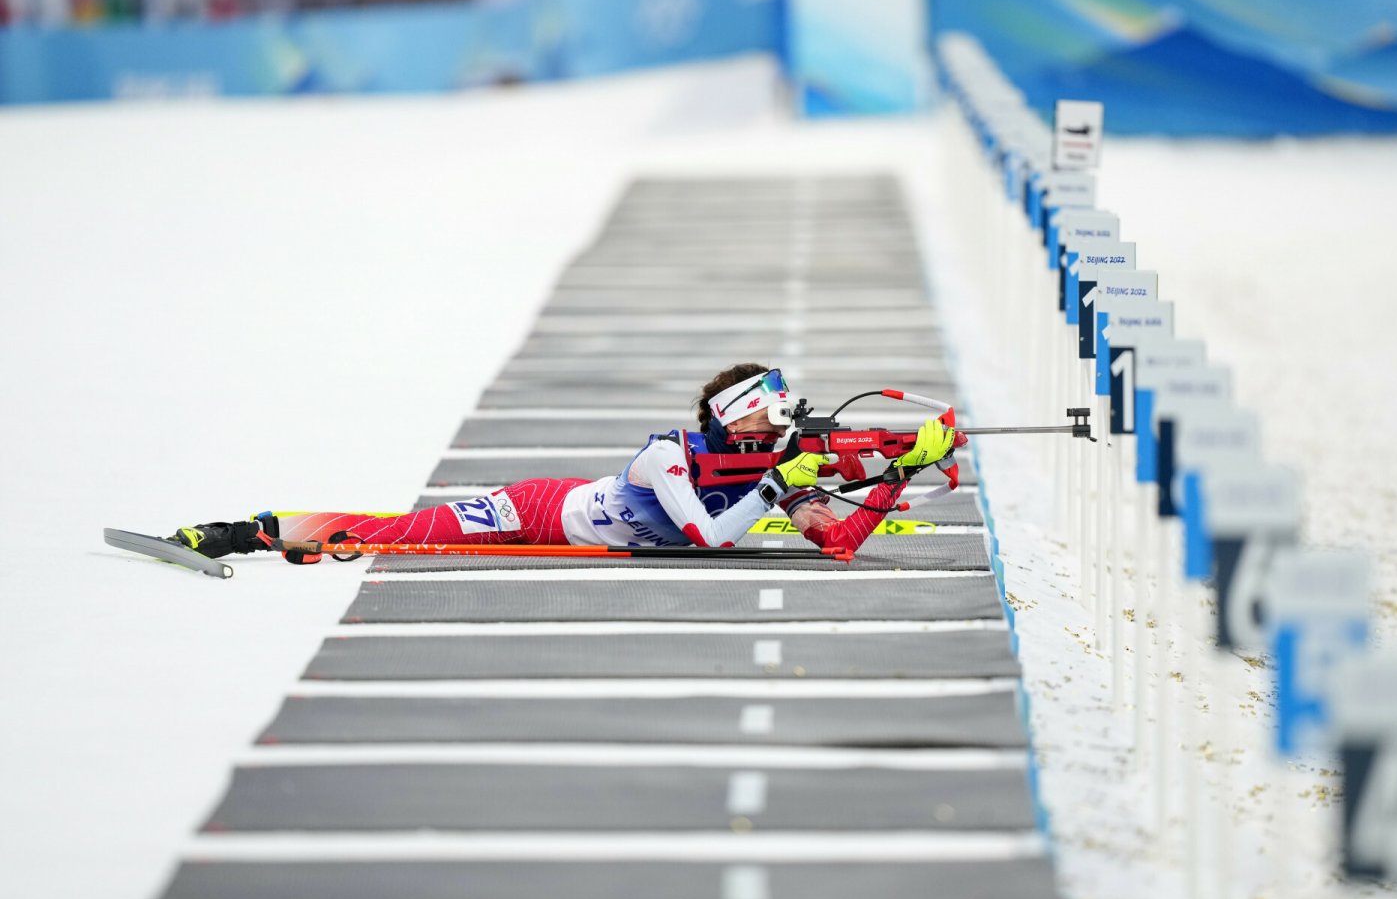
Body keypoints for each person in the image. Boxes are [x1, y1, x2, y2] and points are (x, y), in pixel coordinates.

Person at [168, 363, 954, 560]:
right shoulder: (667, 457)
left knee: (398, 535)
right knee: (399, 533)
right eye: (769, 405)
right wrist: (783, 482)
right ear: (734, 415)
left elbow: (840, 544)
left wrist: (897, 474)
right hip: (537, 510)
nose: (783, 417)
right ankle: (242, 531)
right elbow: (711, 538)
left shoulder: (760, 473)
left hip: (569, 522)